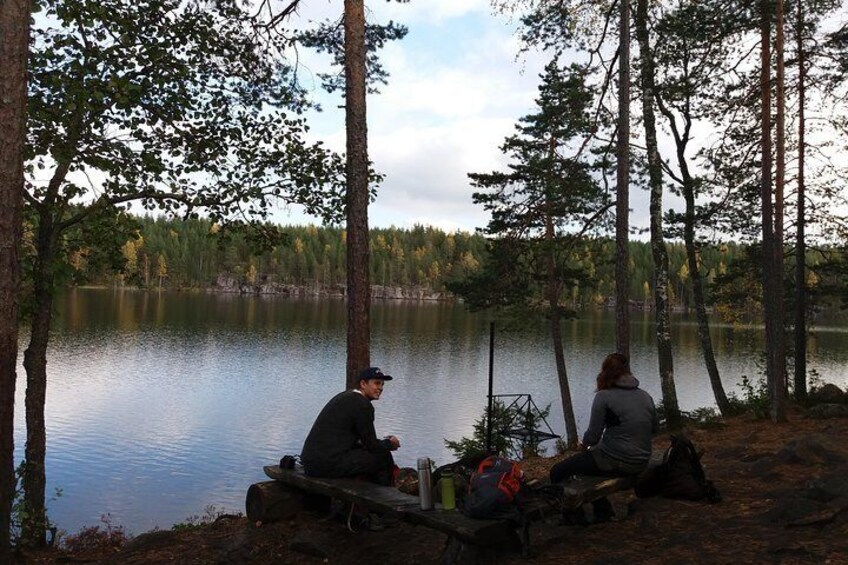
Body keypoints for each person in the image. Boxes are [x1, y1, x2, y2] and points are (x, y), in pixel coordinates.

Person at [549, 352, 659, 522]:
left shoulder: (604, 396)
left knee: (558, 472)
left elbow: (593, 436)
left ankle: (574, 518)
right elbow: (655, 428)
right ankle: (603, 511)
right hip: (641, 461)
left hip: (618, 461)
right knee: (591, 465)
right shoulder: (645, 395)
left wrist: (583, 445)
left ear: (605, 371)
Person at [301, 366, 401, 487]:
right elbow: (372, 445)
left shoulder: (346, 396)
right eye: (376, 383)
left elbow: (360, 440)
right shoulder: (362, 405)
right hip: (325, 465)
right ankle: (383, 498)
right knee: (383, 457)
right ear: (363, 384)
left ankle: (361, 495)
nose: (380, 388)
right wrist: (390, 444)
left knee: (366, 455)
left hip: (310, 462)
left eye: (382, 385)